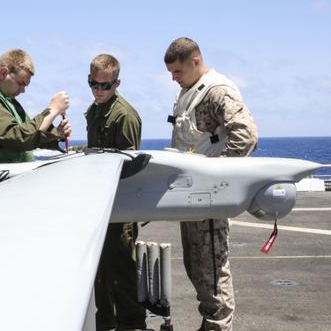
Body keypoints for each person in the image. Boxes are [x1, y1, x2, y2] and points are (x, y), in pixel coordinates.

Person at [164, 37, 258, 331]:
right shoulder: (188, 93)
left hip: (209, 198)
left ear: (195, 61)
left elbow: (246, 135)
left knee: (213, 270)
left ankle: (218, 326)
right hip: (192, 197)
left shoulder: (217, 91)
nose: (173, 78)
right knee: (196, 267)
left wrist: (220, 178)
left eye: (177, 72)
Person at [85, 54, 145, 331]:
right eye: (93, 84)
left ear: (116, 83)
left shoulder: (124, 116)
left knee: (121, 271)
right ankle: (105, 324)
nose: (98, 91)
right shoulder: (95, 111)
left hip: (119, 207)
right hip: (99, 205)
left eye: (104, 86)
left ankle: (131, 325)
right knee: (100, 275)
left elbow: (130, 167)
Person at [0, 49, 71, 163]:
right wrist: (53, 109)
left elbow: (32, 134)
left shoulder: (8, 101)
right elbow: (20, 139)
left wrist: (57, 133)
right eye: (21, 83)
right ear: (3, 73)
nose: (23, 90)